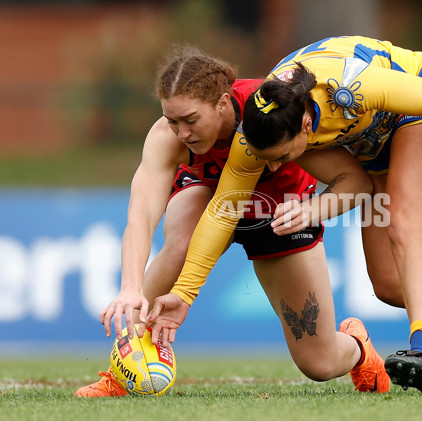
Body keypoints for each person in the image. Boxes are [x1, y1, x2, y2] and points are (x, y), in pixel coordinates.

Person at [142, 36, 422, 395]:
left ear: (306, 127)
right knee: (391, 283)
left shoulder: (349, 87)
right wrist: (185, 294)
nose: (271, 169)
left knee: (404, 225)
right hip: (371, 142)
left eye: (282, 159)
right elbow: (221, 212)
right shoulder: (263, 129)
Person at [74, 45, 390, 397]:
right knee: (182, 242)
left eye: (190, 120)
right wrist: (130, 287)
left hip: (280, 214)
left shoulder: (275, 111)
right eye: (171, 120)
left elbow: (356, 181)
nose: (181, 133)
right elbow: (140, 216)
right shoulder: (167, 138)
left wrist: (313, 209)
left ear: (223, 103)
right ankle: (124, 373)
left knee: (320, 364)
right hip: (206, 196)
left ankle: (359, 347)